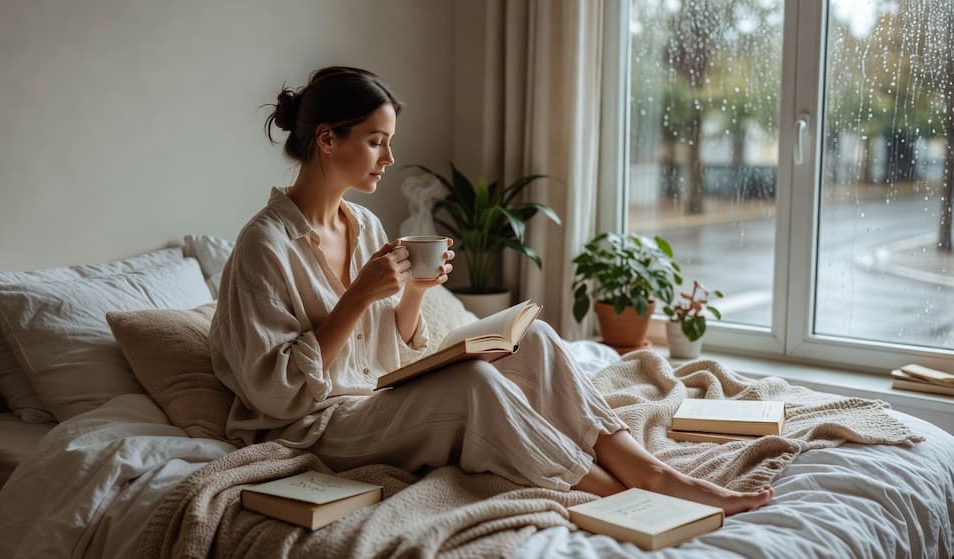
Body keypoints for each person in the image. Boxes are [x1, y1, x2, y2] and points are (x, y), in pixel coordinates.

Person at [209, 66, 773, 515]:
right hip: (320, 426)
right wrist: (357, 296)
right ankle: (626, 499)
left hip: (371, 398)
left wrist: (412, 294)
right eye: (377, 142)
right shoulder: (264, 246)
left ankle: (651, 471)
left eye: (390, 142)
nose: (390, 158)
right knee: (475, 384)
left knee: (537, 341)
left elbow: (388, 352)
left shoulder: (366, 228)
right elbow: (278, 395)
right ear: (328, 139)